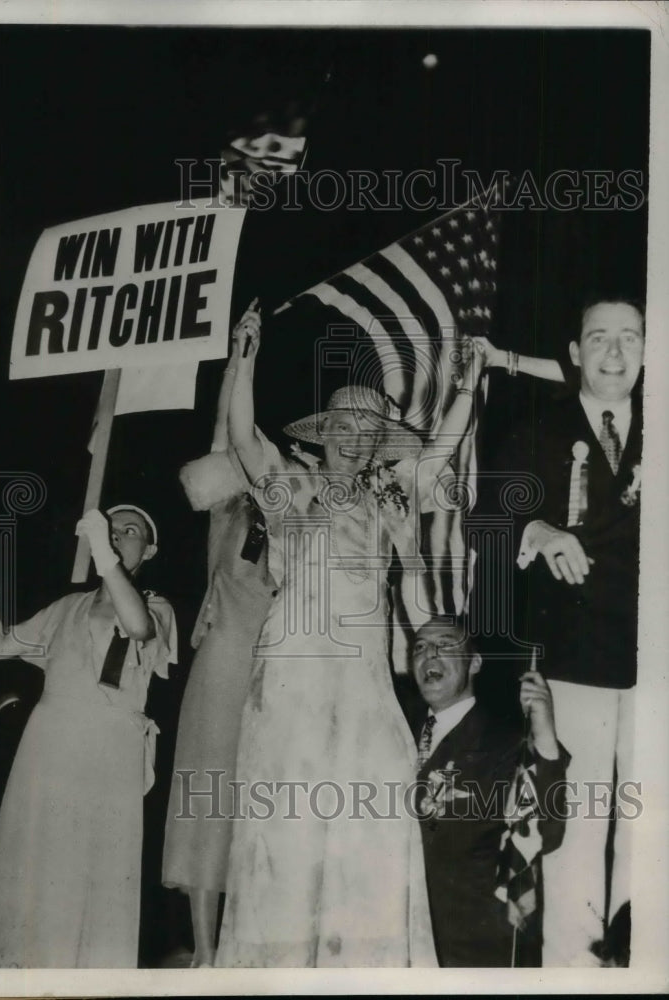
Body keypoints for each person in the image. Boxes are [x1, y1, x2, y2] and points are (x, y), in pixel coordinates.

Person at [214, 309, 487, 967]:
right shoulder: (293, 488)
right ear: (325, 434)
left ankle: (355, 967)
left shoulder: (386, 502)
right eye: (342, 427)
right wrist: (242, 357)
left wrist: (468, 385)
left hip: (361, 681)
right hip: (294, 677)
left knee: (370, 812)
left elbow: (441, 454)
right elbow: (243, 441)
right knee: (288, 830)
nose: (354, 439)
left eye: (367, 431)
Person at [0, 505, 177, 968]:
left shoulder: (156, 605)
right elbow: (0, 645)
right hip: (49, 744)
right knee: (37, 859)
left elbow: (136, 628)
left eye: (129, 532)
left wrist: (103, 555)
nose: (116, 537)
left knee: (94, 868)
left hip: (109, 750)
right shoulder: (69, 606)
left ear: (149, 550)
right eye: (109, 530)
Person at [500, 298, 644, 966]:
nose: (615, 353)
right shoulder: (538, 427)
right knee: (577, 828)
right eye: (599, 339)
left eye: (630, 338)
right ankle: (571, 975)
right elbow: (491, 512)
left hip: (658, 664)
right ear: (576, 353)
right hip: (578, 660)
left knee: (655, 827)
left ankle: (642, 966)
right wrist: (540, 529)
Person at [162, 301, 277, 968]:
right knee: (206, 809)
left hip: (274, 681)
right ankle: (204, 951)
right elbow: (218, 439)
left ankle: (243, 948)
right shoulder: (224, 514)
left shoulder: (298, 525)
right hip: (220, 668)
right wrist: (242, 356)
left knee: (256, 811)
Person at [408, 618, 568, 967]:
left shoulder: (506, 743)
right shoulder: (395, 731)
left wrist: (544, 734)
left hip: (472, 952)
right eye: (419, 648)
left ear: (475, 663)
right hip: (398, 940)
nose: (428, 655)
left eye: (445, 645)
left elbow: (547, 832)